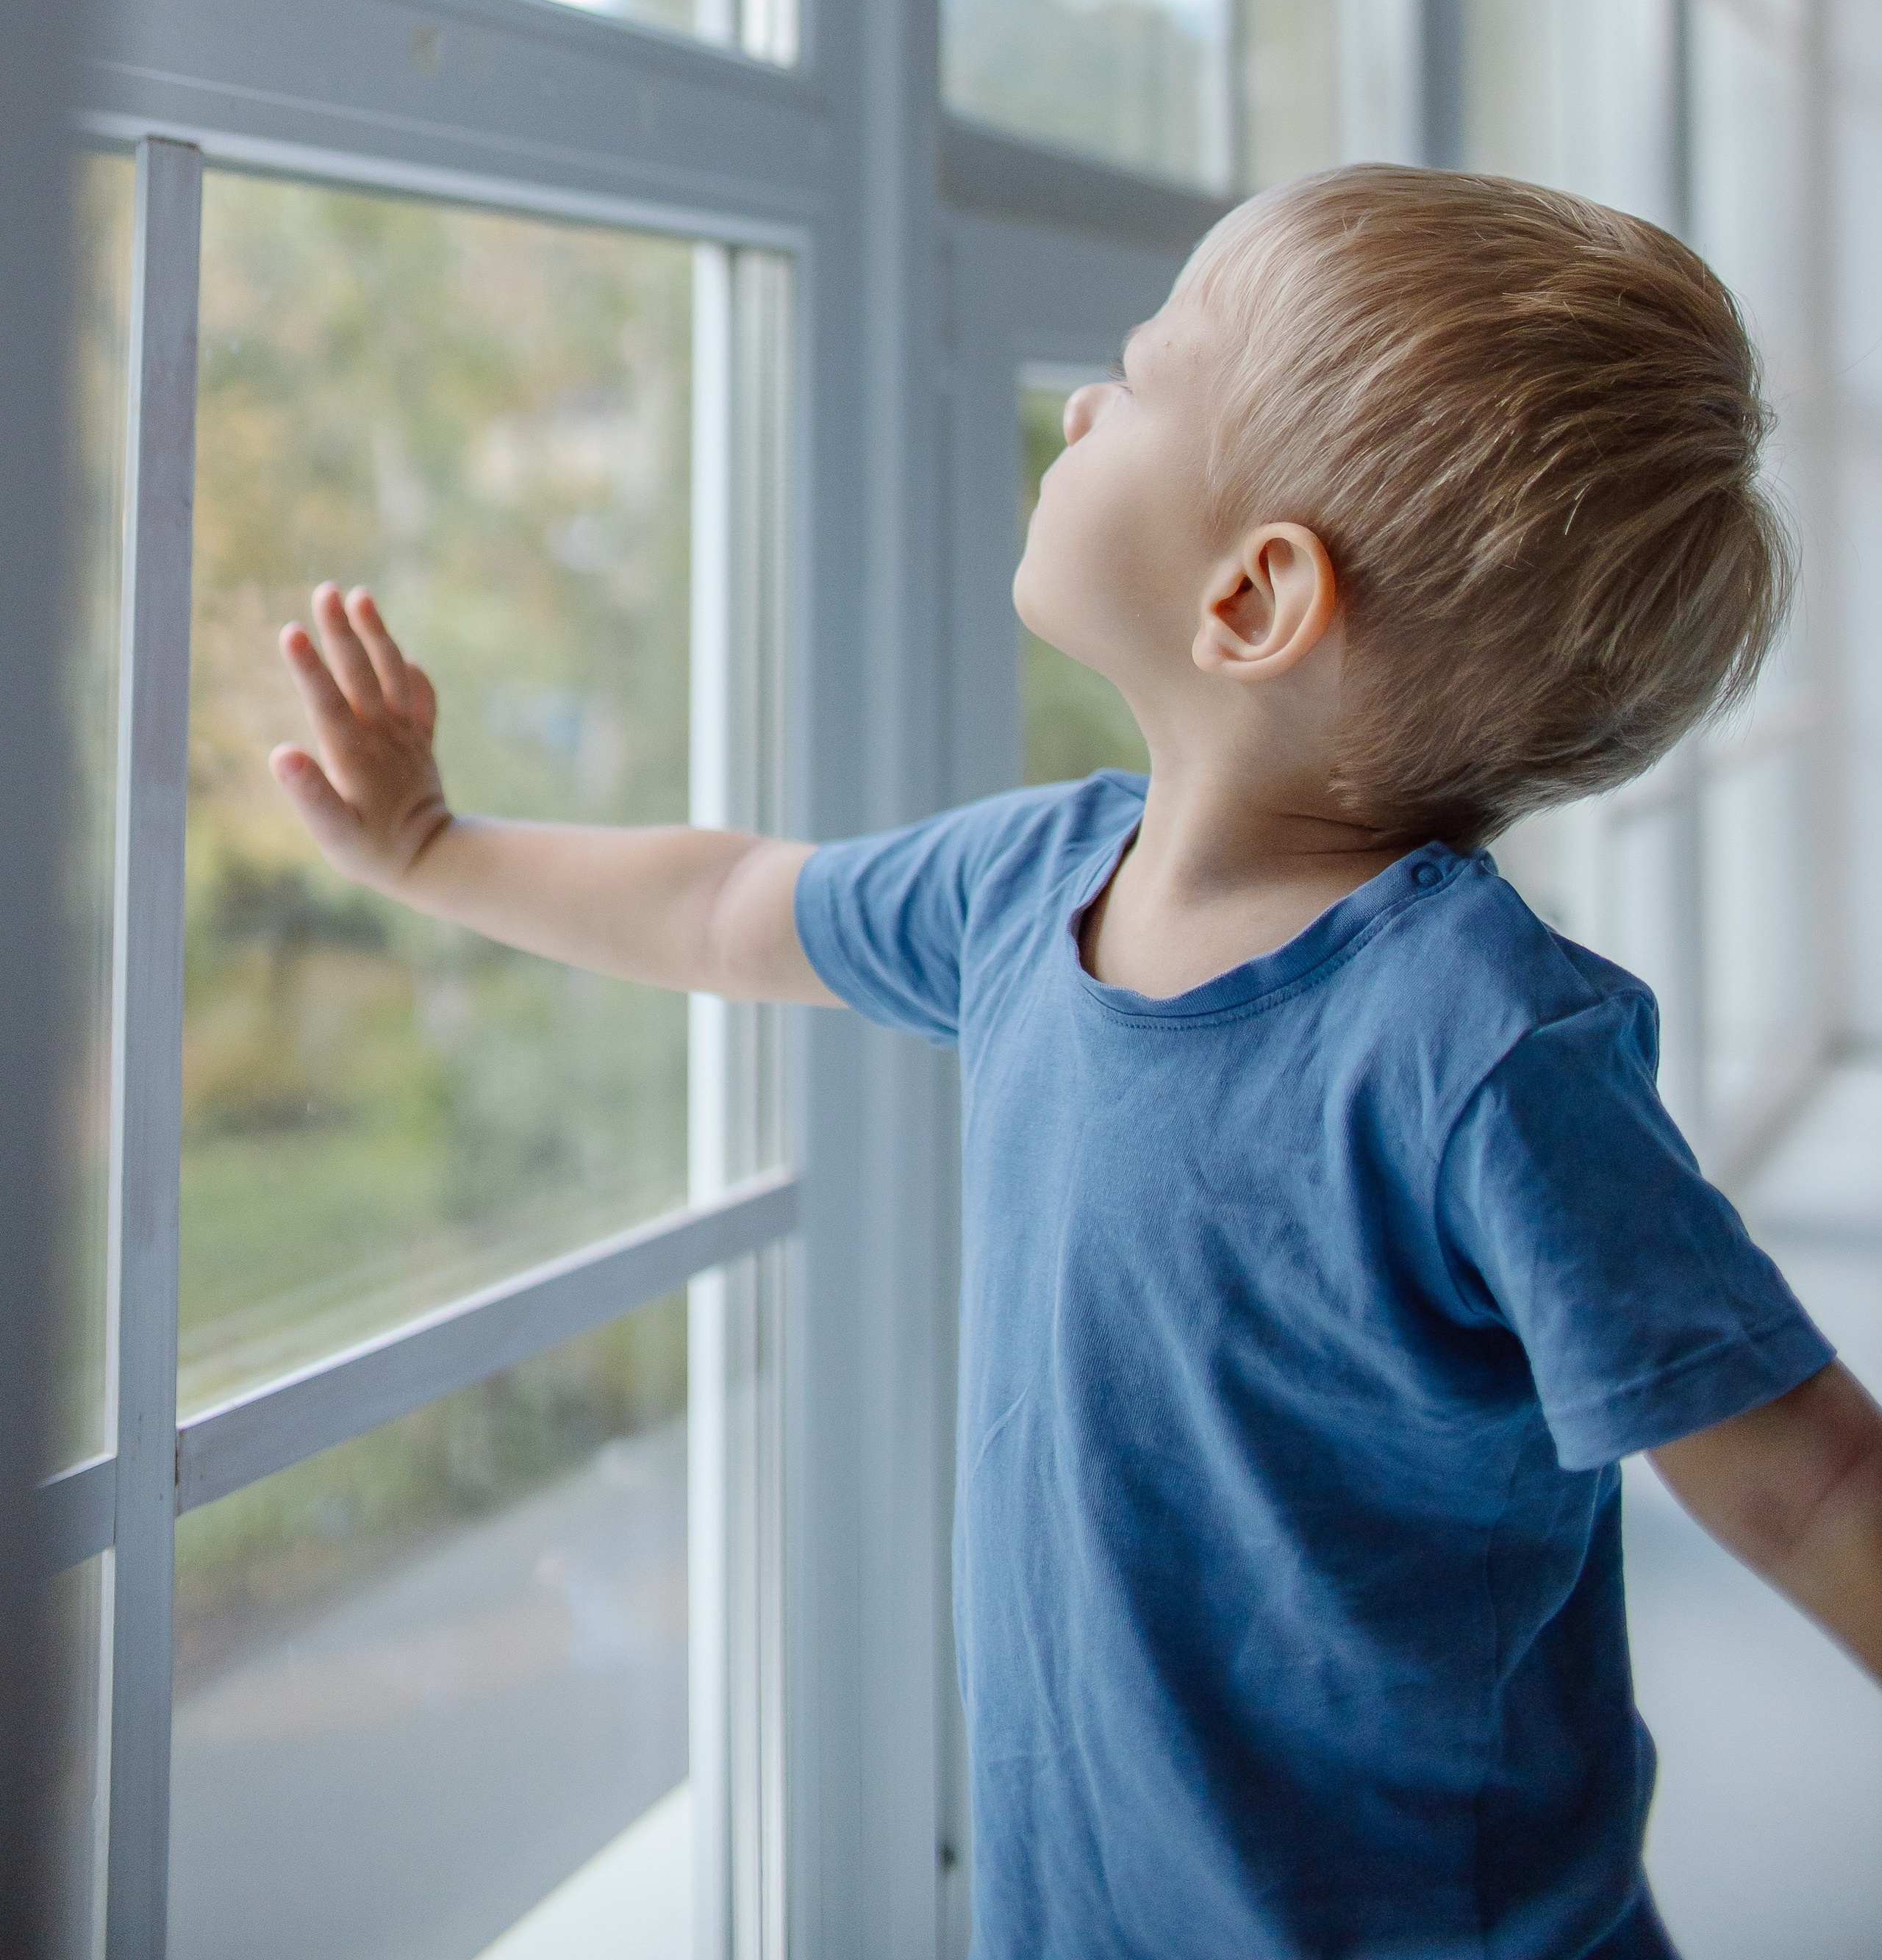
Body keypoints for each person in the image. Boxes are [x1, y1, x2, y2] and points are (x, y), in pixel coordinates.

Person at [271, 165, 1882, 1960]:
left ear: (1255, 596)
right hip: (1096, 1903)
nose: (1080, 401)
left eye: (1142, 374)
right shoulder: (1025, 884)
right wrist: (432, 848)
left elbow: (1803, 1474)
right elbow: (727, 902)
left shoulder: (1485, 1050)